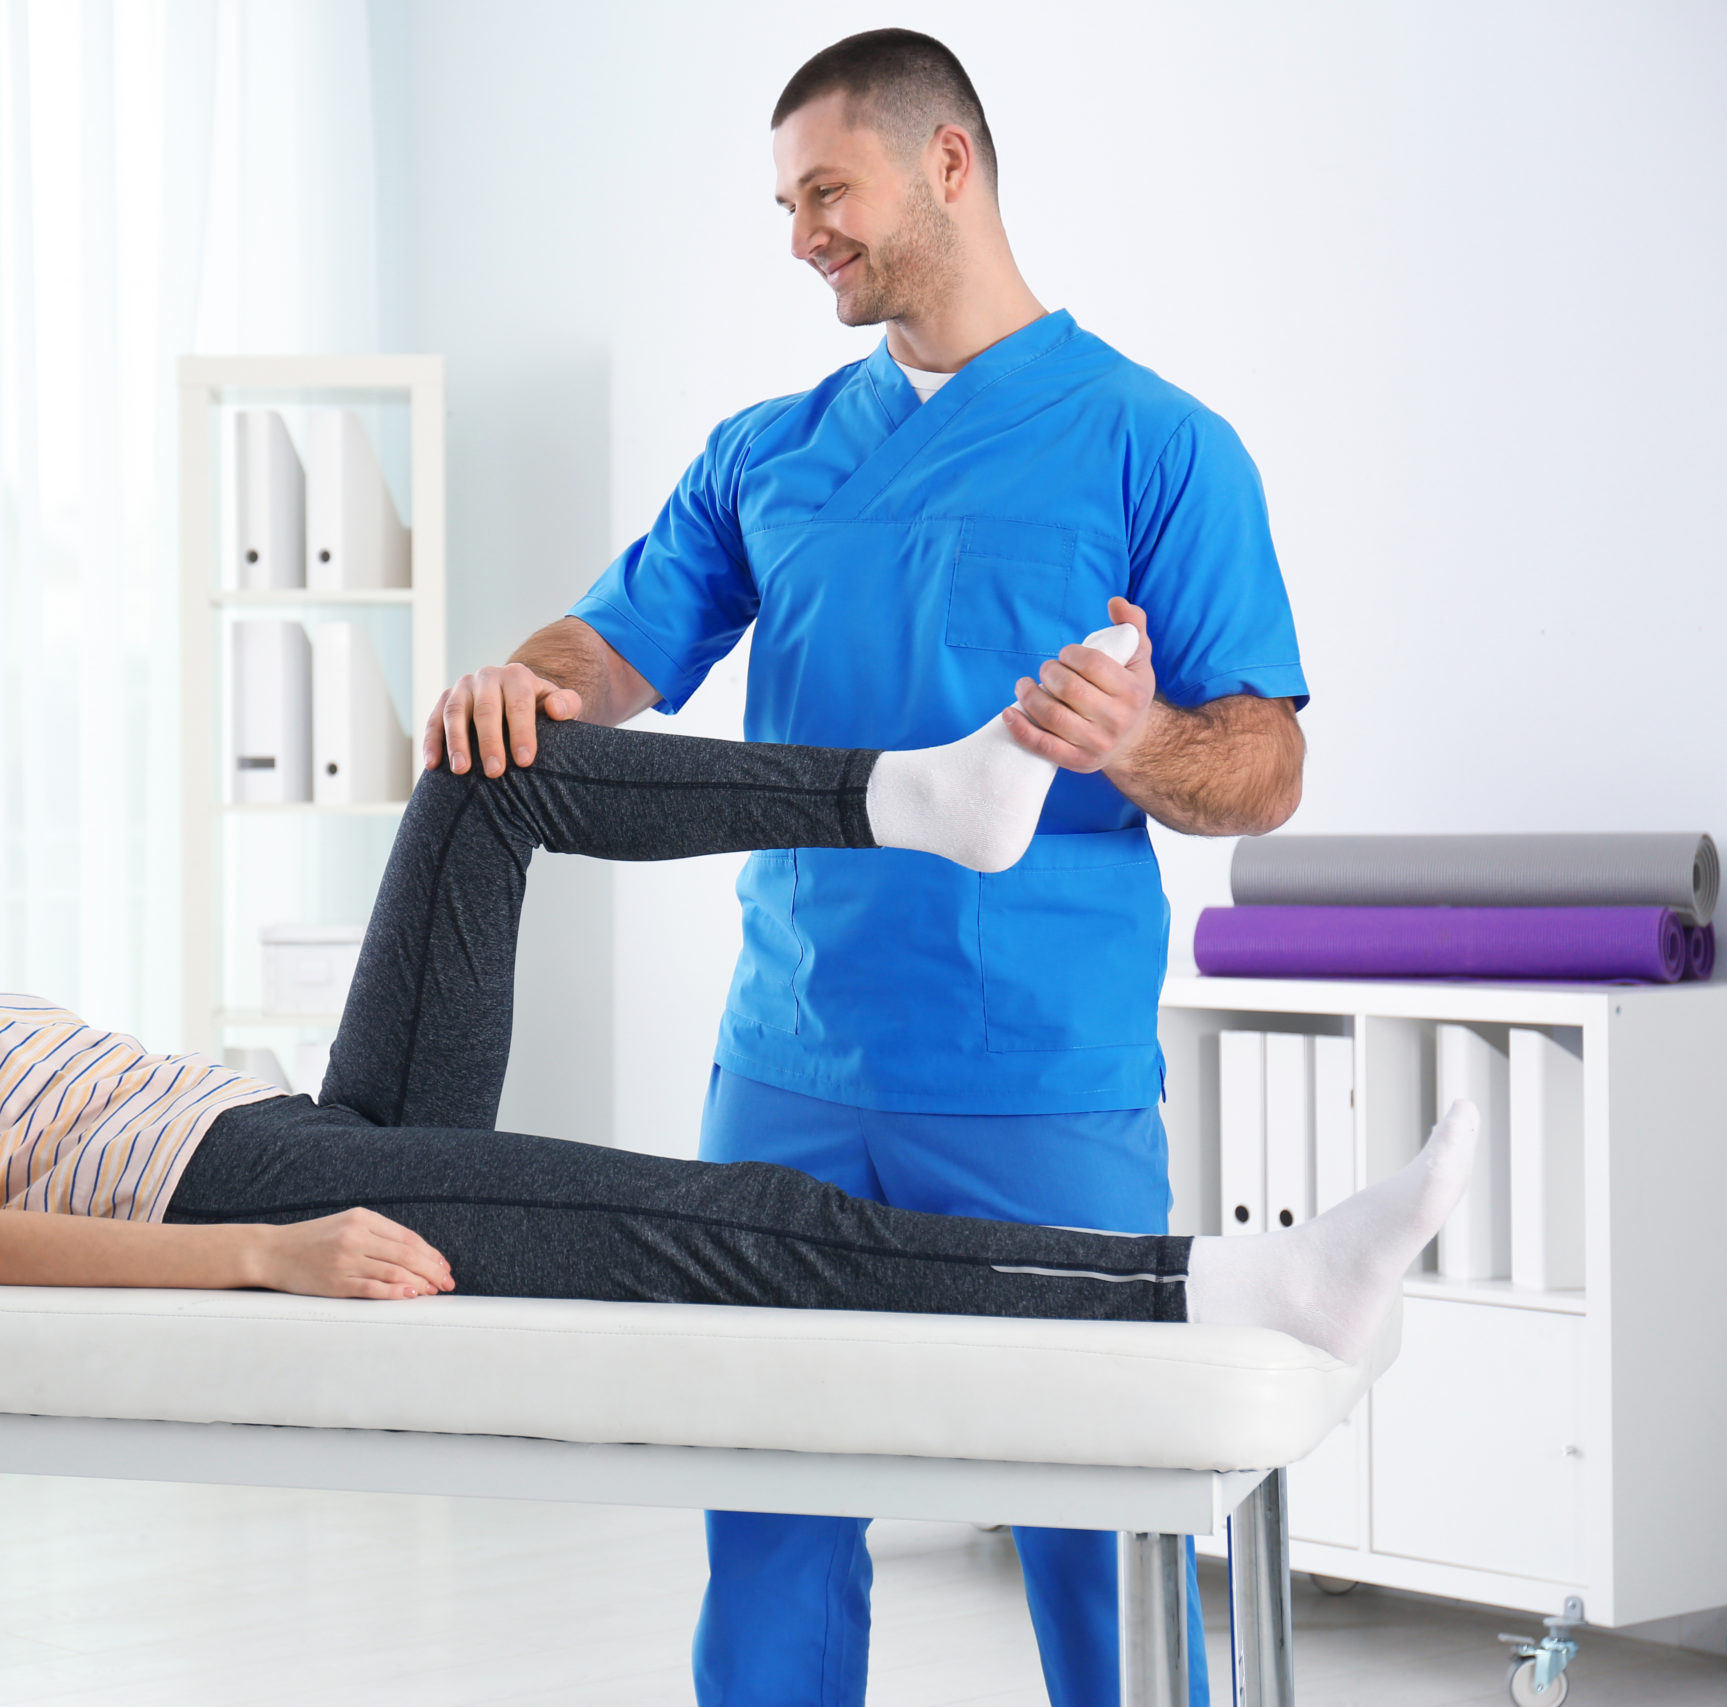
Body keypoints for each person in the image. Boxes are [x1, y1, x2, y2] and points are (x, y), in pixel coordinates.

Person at [423, 28, 1309, 1707]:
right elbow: (611, 648)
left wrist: (1134, 746)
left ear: (948, 163)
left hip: (1038, 1081)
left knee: (1095, 1519)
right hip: (791, 1069)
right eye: (783, 202)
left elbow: (1262, 762)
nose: (802, 233)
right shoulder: (768, 451)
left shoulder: (1157, 445)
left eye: (827, 191)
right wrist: (522, 685)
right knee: (765, 1511)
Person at [0, 700, 1462, 1364]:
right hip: (256, 1187)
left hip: (307, 1117)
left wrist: (300, 1168)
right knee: (712, 1217)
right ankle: (1216, 1292)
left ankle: (910, 799)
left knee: (493, 773)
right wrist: (273, 1257)